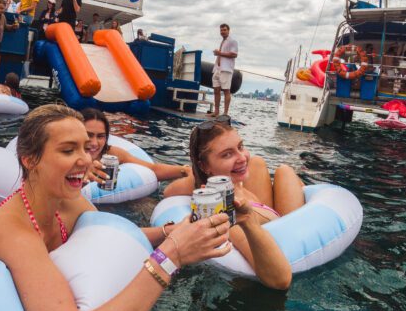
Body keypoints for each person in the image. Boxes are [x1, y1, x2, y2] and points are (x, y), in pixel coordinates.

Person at [0, 104, 231, 311]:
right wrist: (171, 256)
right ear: (30, 159)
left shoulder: (67, 203)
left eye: (85, 147)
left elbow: (109, 238)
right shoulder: (14, 233)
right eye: (68, 150)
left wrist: (169, 233)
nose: (85, 159)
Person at [166, 118, 303, 289]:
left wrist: (187, 171)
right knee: (285, 171)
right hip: (286, 232)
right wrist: (248, 220)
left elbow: (168, 191)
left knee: (267, 165)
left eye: (240, 147)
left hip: (266, 210)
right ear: (205, 166)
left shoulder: (229, 182)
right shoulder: (229, 211)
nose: (242, 158)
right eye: (227, 154)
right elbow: (280, 281)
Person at [81, 108, 191, 183]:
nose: (94, 143)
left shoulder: (112, 154)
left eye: (100, 136)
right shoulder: (68, 157)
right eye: (88, 135)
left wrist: (184, 170)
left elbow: (152, 169)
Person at [210, 23, 238, 117]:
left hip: (226, 69)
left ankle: (225, 113)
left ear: (228, 31)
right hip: (217, 69)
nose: (222, 32)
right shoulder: (223, 41)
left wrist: (220, 53)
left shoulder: (232, 41)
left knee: (226, 90)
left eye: (224, 30)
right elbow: (221, 54)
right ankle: (216, 111)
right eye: (221, 30)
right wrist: (218, 54)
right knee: (216, 90)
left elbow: (234, 54)